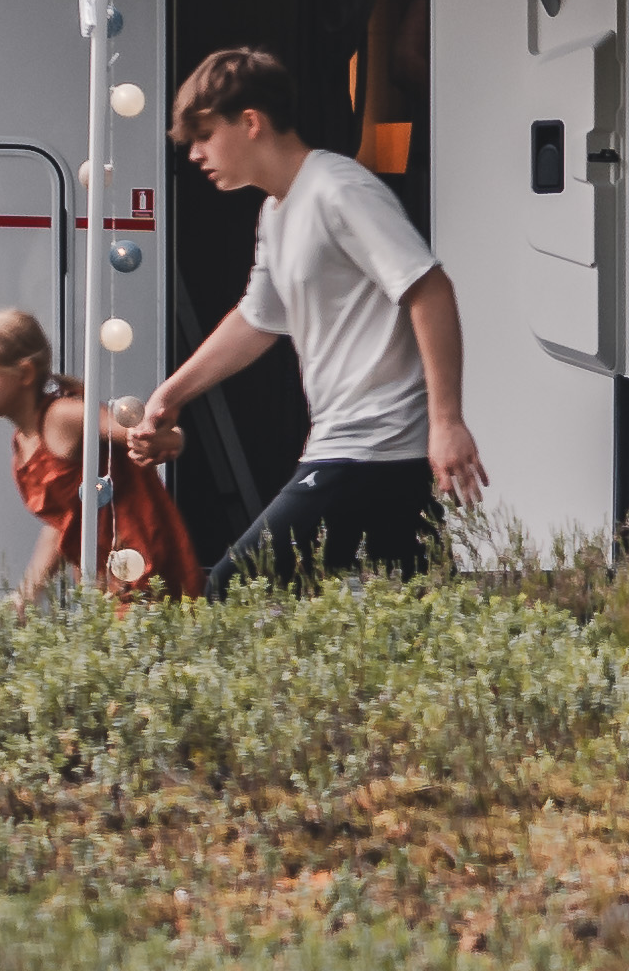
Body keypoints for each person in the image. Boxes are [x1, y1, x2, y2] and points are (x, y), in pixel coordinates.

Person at [114, 42, 482, 581]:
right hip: (368, 450)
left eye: (204, 135)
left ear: (250, 122)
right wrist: (171, 394)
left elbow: (430, 289)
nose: (194, 155)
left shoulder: (339, 190)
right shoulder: (277, 210)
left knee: (233, 586)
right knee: (409, 624)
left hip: (371, 444)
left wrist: (447, 422)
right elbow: (257, 320)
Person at [0, 303, 200, 600]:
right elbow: (62, 522)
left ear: (25, 373)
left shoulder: (62, 416)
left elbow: (146, 433)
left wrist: (167, 439)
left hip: (139, 563)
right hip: (103, 578)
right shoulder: (23, 440)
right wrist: (26, 594)